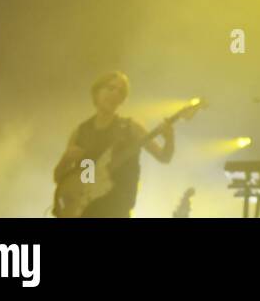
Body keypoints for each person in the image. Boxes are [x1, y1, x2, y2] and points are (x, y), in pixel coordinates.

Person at [52, 70, 175, 218]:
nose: (115, 94)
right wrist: (65, 159)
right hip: (85, 213)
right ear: (97, 92)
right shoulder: (81, 132)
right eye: (111, 88)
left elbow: (164, 157)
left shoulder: (130, 128)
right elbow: (60, 179)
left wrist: (169, 138)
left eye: (121, 92)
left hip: (117, 212)